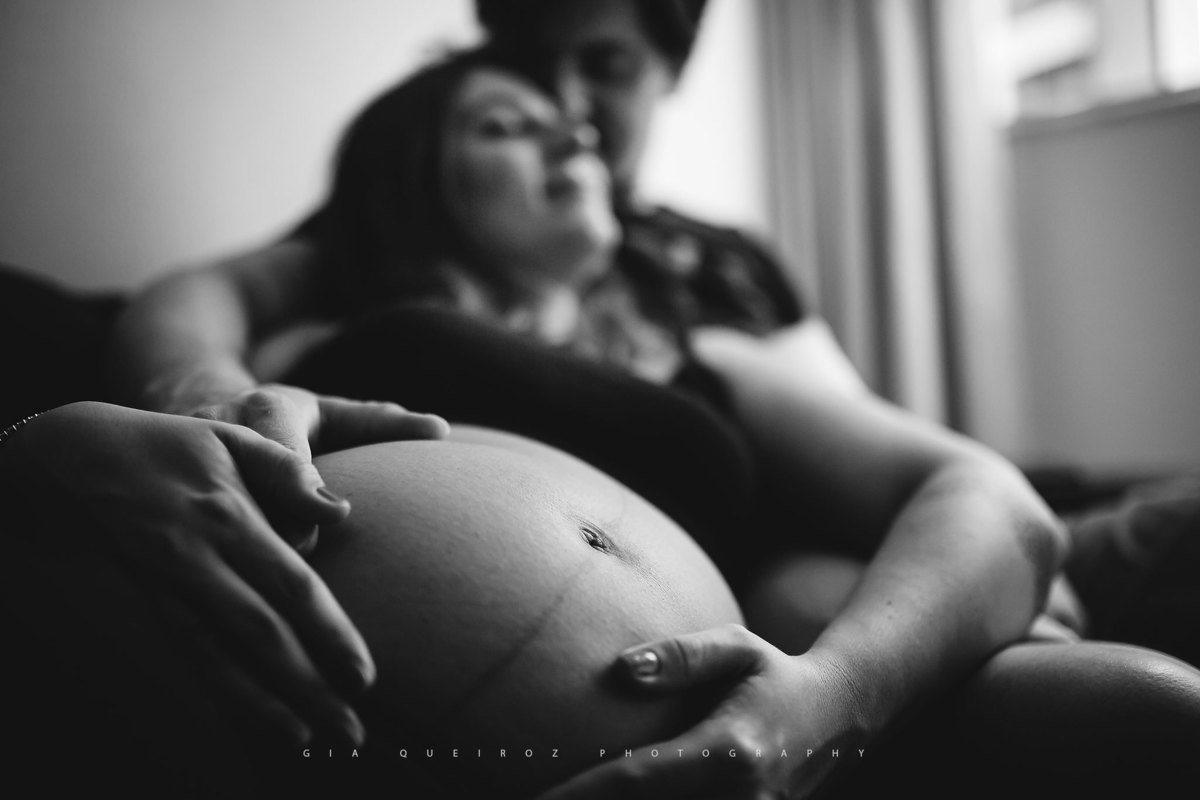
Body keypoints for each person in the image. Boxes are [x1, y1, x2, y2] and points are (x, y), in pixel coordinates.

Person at [105, 46, 1071, 798]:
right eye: (505, 126)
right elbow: (192, 309)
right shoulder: (326, 327)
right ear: (412, 186)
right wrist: (203, 397)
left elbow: (991, 498)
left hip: (767, 744)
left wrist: (834, 695)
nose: (575, 136)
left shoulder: (699, 359)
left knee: (1129, 706)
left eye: (571, 126)